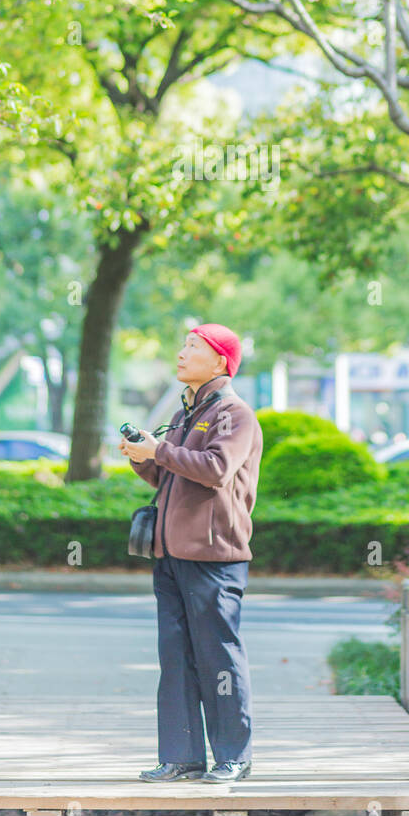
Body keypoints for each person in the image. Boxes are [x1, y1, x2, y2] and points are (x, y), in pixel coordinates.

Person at [119, 323, 263, 784]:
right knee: (176, 657)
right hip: (171, 553)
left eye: (193, 347)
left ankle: (233, 757)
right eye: (183, 344)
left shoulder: (234, 414)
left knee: (218, 656)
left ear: (221, 360)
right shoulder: (186, 413)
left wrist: (160, 449)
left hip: (214, 556)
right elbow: (171, 479)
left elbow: (217, 470)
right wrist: (144, 457)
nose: (181, 353)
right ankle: (182, 756)